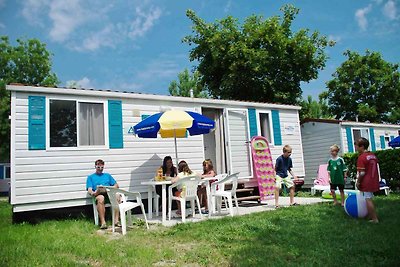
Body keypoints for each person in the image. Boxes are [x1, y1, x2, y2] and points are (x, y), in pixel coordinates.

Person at [86, 159, 120, 229]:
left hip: (109, 193)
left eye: (102, 167)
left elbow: (116, 185)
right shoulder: (90, 177)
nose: (100, 169)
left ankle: (116, 221)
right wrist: (93, 192)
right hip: (98, 194)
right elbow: (89, 189)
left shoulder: (107, 175)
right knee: (101, 198)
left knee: (117, 195)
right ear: (95, 167)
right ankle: (103, 222)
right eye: (98, 167)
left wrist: (110, 187)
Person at [355, 137, 380, 223]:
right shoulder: (373, 155)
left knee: (368, 199)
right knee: (369, 198)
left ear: (362, 147)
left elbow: (362, 173)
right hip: (374, 180)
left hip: (366, 182)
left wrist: (358, 182)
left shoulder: (362, 157)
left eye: (356, 145)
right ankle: (370, 215)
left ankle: (374, 219)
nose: (355, 146)